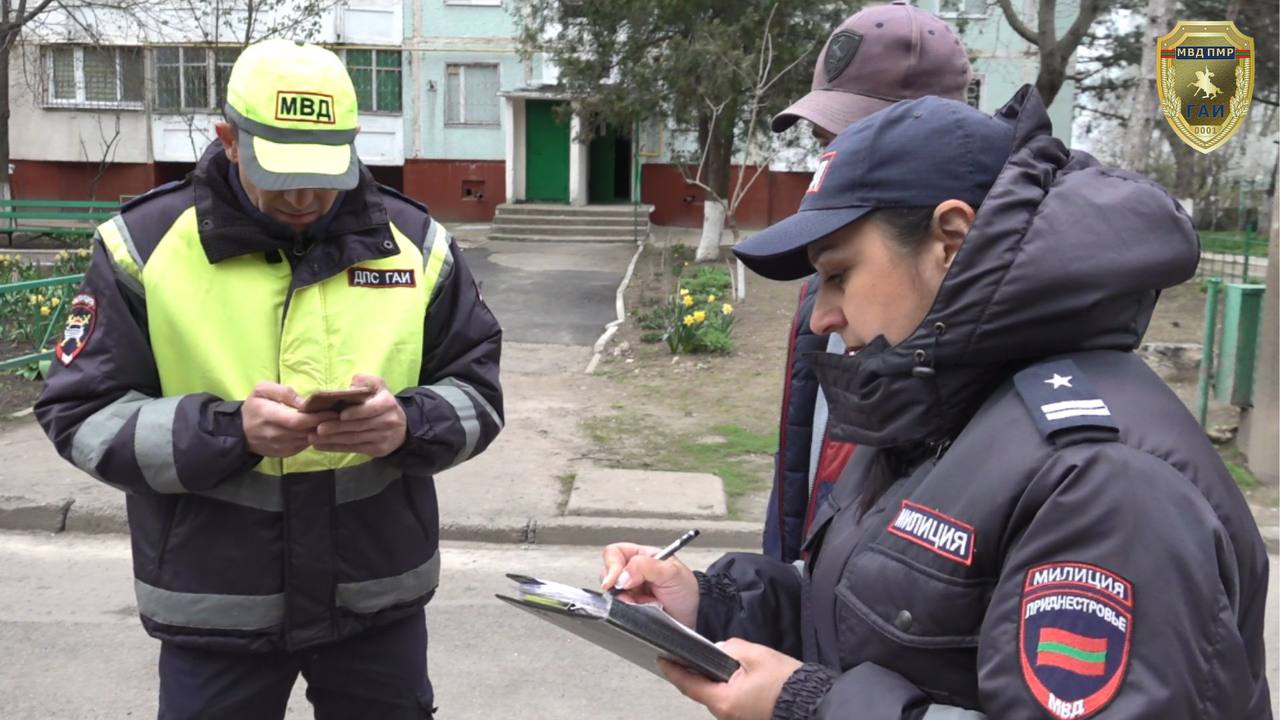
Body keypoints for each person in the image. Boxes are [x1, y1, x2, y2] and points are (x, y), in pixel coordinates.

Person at [600, 90, 1271, 719]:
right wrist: (710, 606)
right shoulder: (936, 408)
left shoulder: (1103, 480)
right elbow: (869, 617)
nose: (820, 317)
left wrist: (809, 705)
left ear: (950, 240)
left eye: (838, 274)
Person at [35, 39, 503, 719]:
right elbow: (81, 413)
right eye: (281, 174)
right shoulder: (143, 247)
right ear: (228, 140)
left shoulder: (419, 245)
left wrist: (409, 423)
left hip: (375, 597)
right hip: (218, 606)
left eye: (324, 173)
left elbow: (478, 391)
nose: (305, 197)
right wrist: (228, 432)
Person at [761, 1, 974, 563]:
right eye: (824, 138)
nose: (835, 161)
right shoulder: (825, 291)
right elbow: (804, 463)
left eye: (859, 136)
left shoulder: (990, 350)